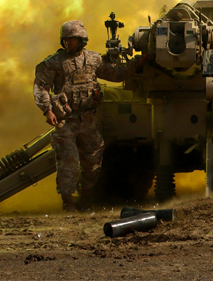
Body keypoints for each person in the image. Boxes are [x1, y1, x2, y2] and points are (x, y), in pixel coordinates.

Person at [33, 20, 137, 211]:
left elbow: (116, 74)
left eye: (71, 39)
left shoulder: (94, 59)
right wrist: (47, 110)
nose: (67, 43)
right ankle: (68, 203)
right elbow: (41, 87)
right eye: (65, 40)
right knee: (68, 163)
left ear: (82, 40)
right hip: (66, 122)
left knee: (93, 162)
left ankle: (86, 199)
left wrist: (138, 63)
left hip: (89, 121)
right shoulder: (54, 62)